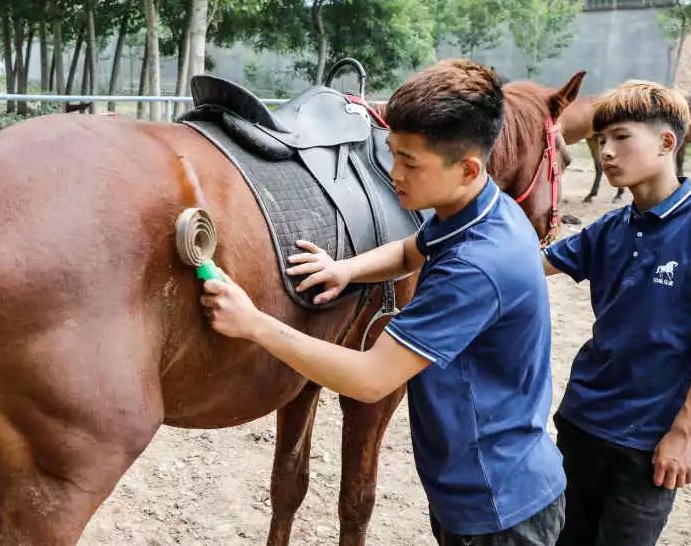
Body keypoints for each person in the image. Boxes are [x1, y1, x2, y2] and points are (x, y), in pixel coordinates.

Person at [201, 60, 565, 545]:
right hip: (475, 486)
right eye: (392, 154)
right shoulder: (476, 208)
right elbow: (410, 249)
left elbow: (370, 379)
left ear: (468, 167)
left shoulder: (478, 266)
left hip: (498, 507)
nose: (394, 174)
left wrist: (254, 323)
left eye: (410, 162)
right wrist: (345, 268)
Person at [543, 80, 691, 546]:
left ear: (666, 142)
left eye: (621, 137)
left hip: (650, 439)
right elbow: (525, 267)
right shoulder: (611, 227)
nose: (607, 152)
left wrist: (686, 431)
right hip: (581, 421)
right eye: (601, 141)